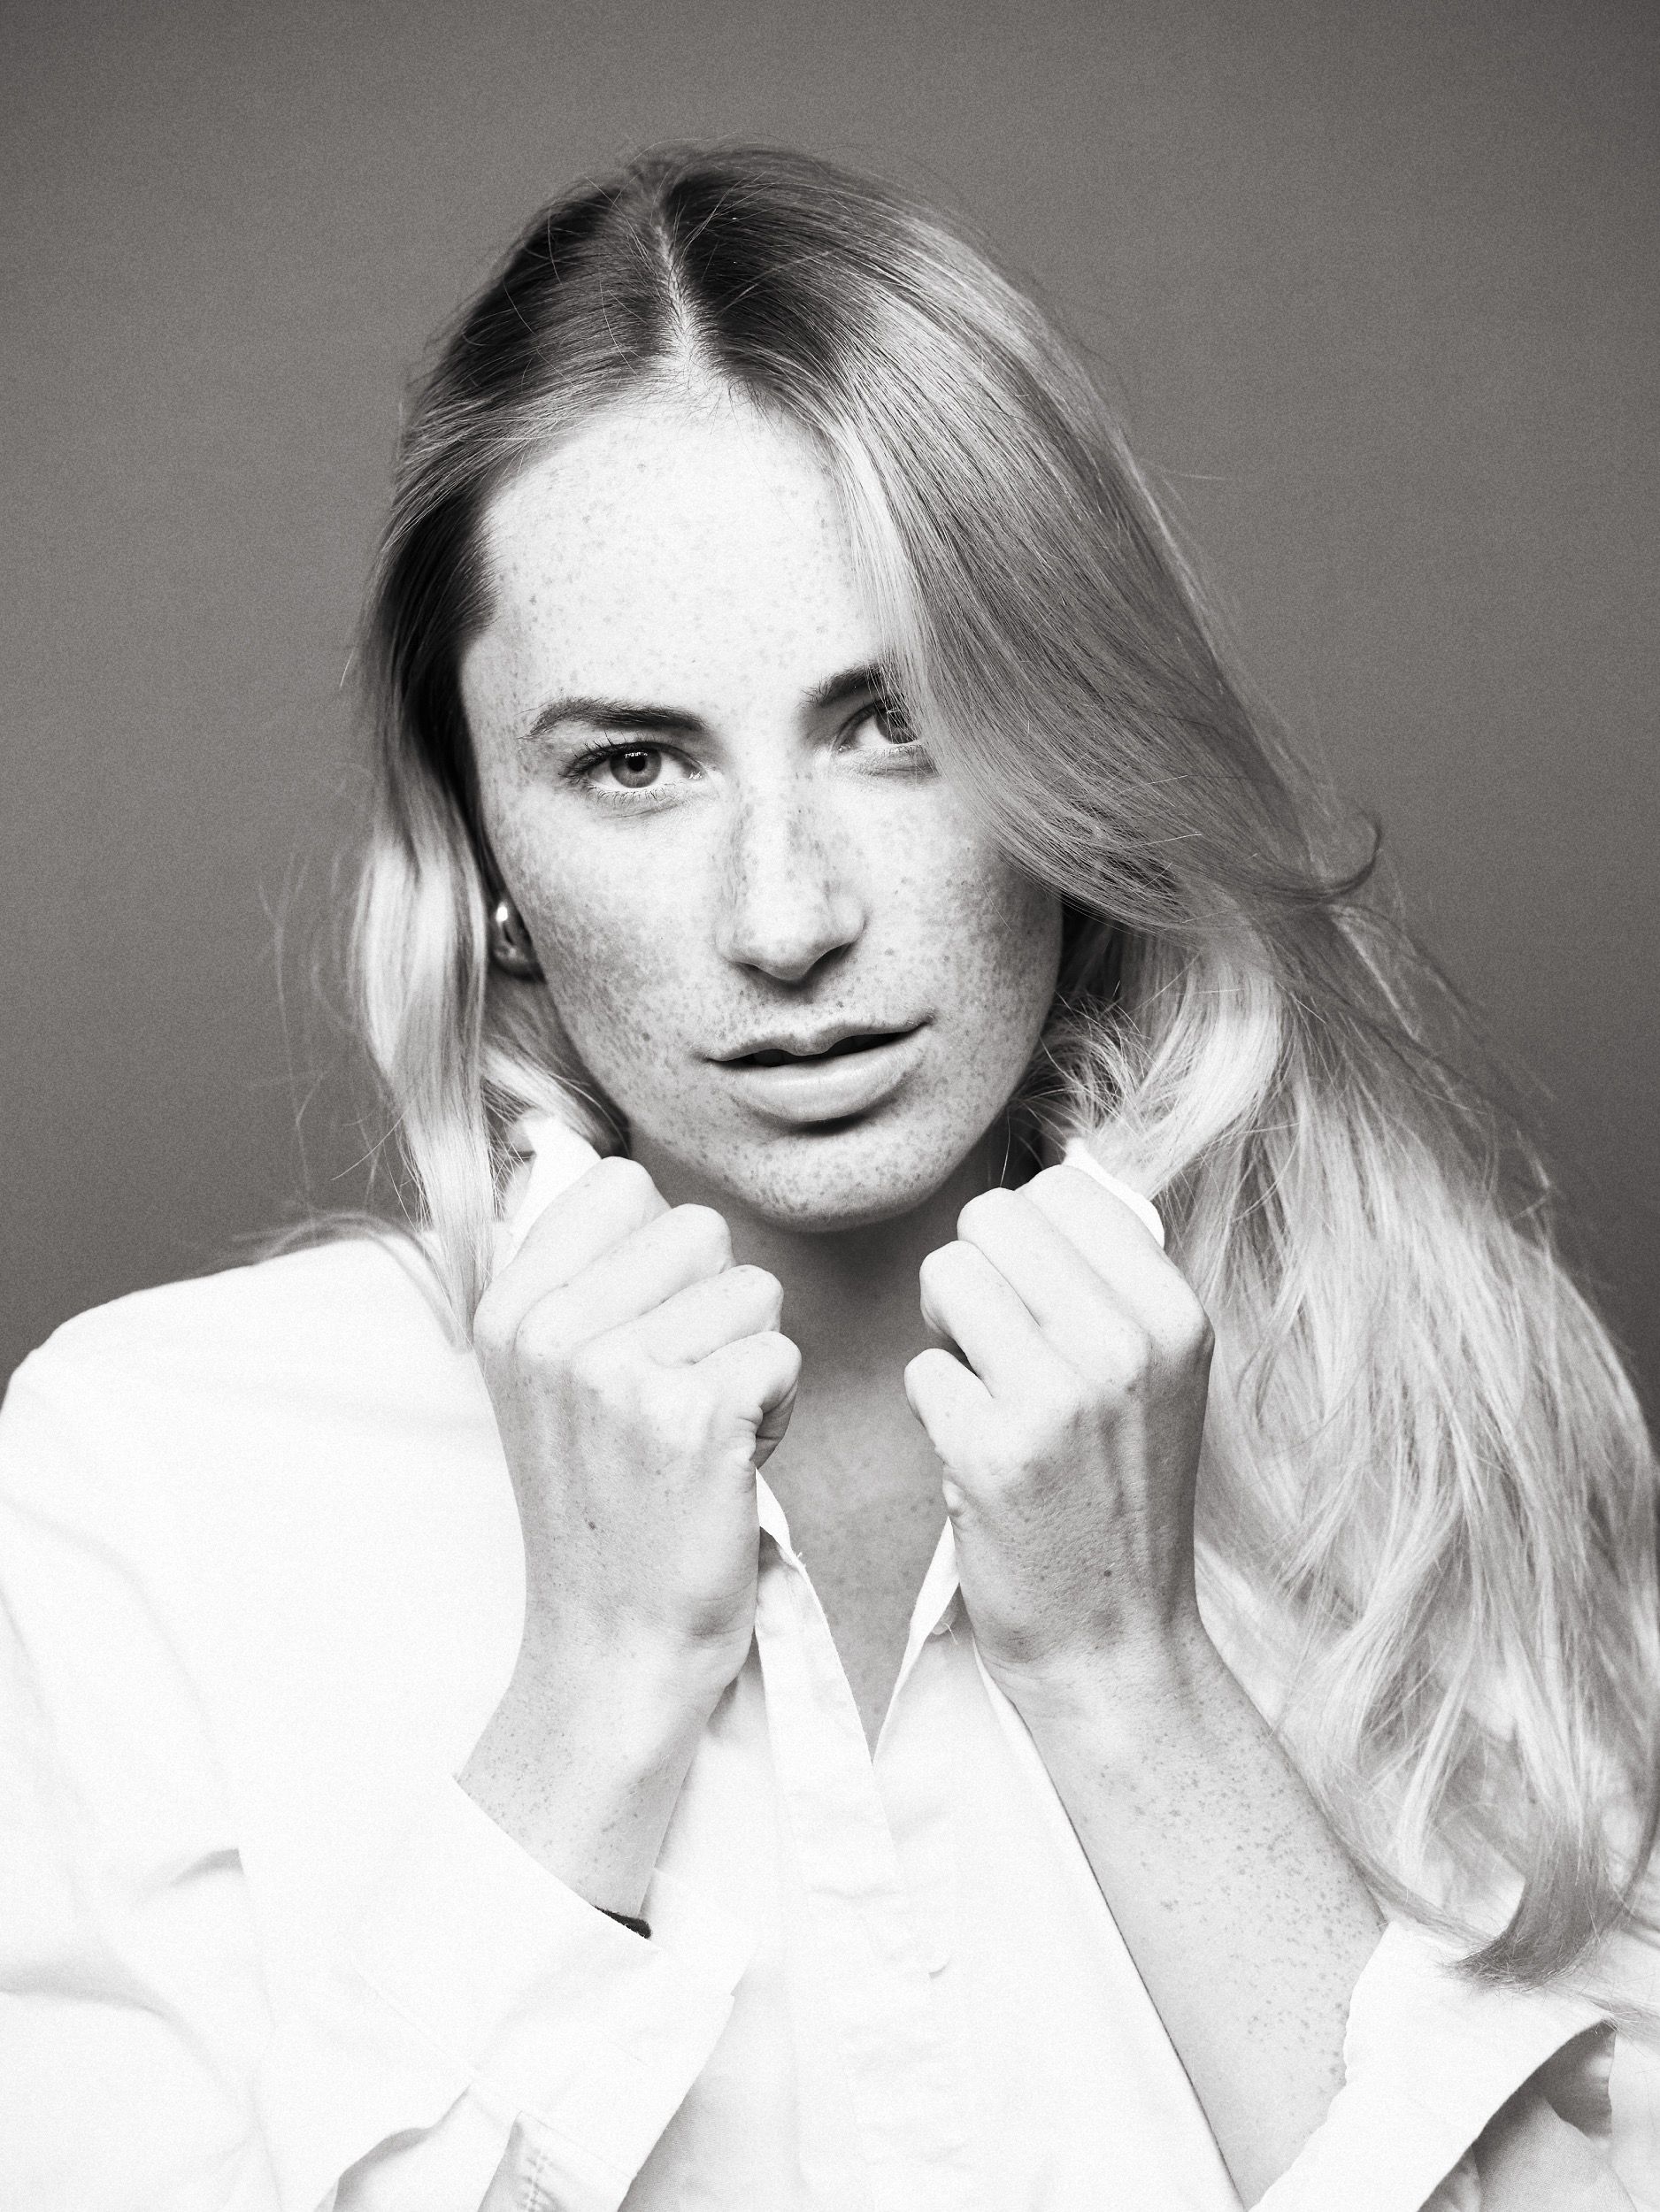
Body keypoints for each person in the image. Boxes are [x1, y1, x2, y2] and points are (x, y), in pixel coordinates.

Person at [2, 143, 1656, 2212]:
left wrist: (1130, 1687)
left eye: (897, 724)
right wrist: (592, 1702)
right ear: (486, 853)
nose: (785, 917)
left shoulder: (1439, 1428)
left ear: (1074, 762)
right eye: (632, 763)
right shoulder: (153, 1477)